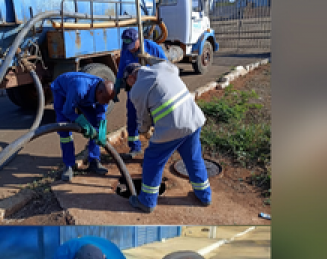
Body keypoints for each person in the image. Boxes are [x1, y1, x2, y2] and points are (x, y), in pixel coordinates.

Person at [125, 60, 211, 212]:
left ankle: (147, 201)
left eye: (128, 83)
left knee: (153, 159)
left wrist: (144, 130)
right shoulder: (164, 66)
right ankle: (204, 196)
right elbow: (173, 74)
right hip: (193, 119)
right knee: (193, 157)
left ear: (131, 78)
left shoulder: (136, 90)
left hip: (172, 127)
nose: (129, 86)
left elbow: (143, 118)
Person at [50, 72, 119, 181]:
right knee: (65, 129)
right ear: (99, 92)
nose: (106, 102)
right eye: (105, 99)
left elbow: (100, 113)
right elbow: (67, 111)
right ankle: (69, 165)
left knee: (95, 125)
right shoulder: (79, 88)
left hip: (84, 97)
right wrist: (82, 122)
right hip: (62, 91)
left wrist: (101, 129)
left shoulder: (105, 94)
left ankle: (94, 160)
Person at [116, 28, 168, 157]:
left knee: (155, 119)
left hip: (151, 93)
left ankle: (157, 148)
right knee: (132, 119)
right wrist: (117, 85)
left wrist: (150, 60)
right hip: (133, 92)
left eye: (133, 45)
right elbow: (122, 68)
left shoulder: (152, 48)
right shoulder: (126, 49)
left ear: (139, 40)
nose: (131, 49)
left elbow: (166, 66)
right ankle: (135, 148)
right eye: (128, 46)